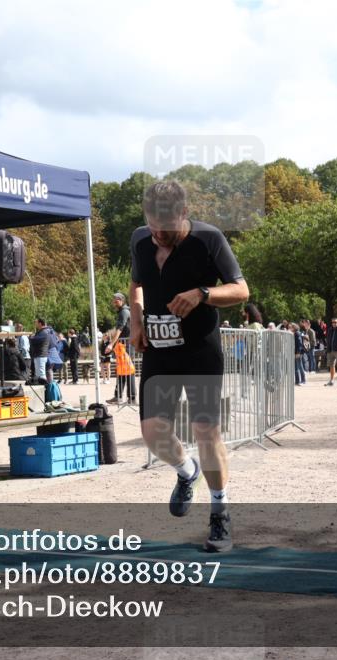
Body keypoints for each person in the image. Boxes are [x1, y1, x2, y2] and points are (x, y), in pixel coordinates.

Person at [129, 180, 249, 553]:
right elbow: (135, 284)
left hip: (200, 349)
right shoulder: (139, 239)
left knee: (205, 430)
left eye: (166, 227)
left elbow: (242, 290)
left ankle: (220, 512)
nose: (158, 234)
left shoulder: (208, 239)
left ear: (184, 214)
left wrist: (203, 294)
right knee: (152, 434)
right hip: (159, 349)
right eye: (152, 226)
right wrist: (135, 320)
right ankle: (187, 472)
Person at [107, 331, 137, 405]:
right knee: (122, 372)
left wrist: (111, 343)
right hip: (125, 346)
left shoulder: (124, 320)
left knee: (129, 372)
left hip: (125, 347)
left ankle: (131, 398)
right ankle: (119, 396)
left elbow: (119, 329)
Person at [29, 318, 51, 384]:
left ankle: (44, 391)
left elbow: (34, 340)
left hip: (40, 355)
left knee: (41, 375)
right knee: (38, 375)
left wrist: (30, 337)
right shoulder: (43, 331)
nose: (35, 324)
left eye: (36, 322)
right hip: (39, 355)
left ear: (40, 323)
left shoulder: (44, 332)